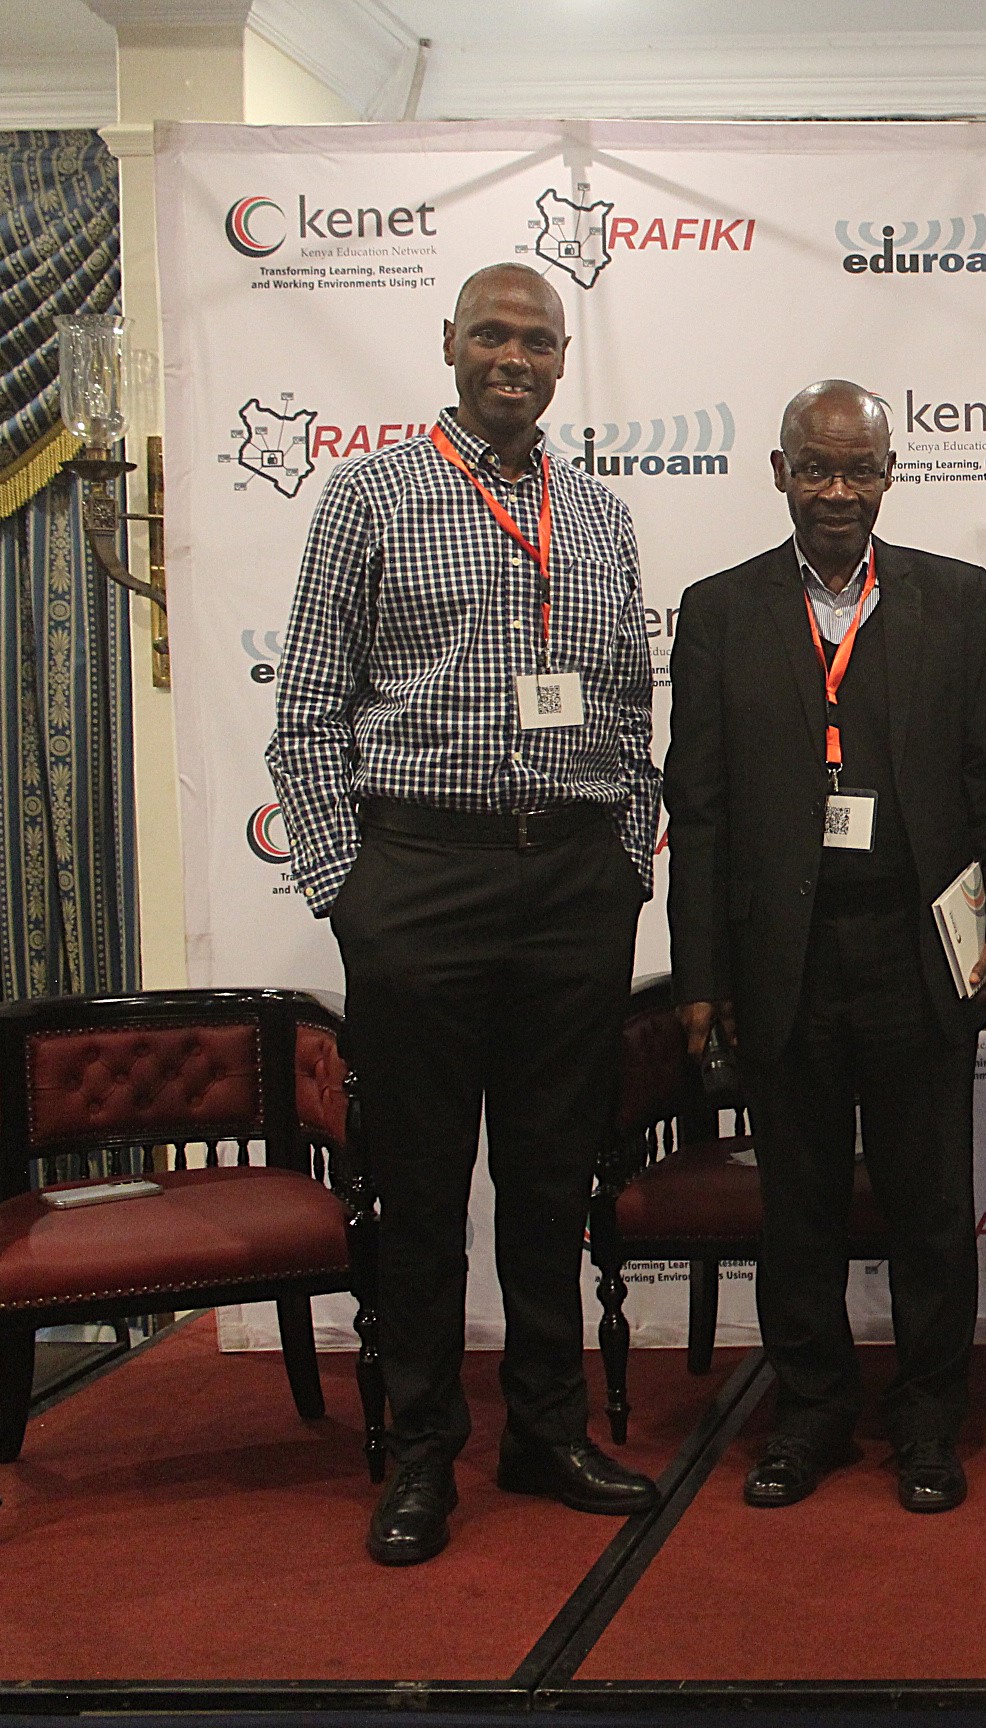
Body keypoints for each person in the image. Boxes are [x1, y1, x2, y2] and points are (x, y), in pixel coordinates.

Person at [267, 263, 661, 1567]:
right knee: (424, 1187)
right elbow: (306, 711)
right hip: (421, 881)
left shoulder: (598, 515)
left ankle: (545, 1431)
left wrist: (625, 858)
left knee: (550, 1180)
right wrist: (351, 892)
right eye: (491, 333)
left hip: (572, 886)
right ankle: (425, 1451)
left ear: (562, 360)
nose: (513, 357)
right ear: (449, 343)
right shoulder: (369, 494)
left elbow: (627, 704)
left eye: (537, 340)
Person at [663, 381, 986, 1515]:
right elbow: (697, 807)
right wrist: (702, 975)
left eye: (859, 469)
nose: (837, 490)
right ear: (778, 472)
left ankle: (928, 1420)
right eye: (815, 467)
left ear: (890, 475)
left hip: (918, 953)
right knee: (799, 1208)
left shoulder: (955, 598)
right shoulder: (719, 610)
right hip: (785, 960)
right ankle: (808, 1413)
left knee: (930, 1207)